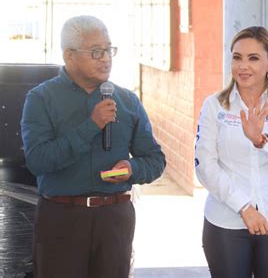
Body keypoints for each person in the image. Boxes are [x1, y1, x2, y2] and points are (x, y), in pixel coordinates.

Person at [21, 15, 166, 278]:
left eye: (109, 50)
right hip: (61, 218)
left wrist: (132, 168)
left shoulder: (127, 100)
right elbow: (37, 160)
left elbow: (155, 160)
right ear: (69, 56)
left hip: (114, 220)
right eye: (96, 52)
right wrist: (91, 125)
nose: (106, 59)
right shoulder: (41, 98)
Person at [195, 26, 268, 278]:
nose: (242, 66)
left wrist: (262, 141)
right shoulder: (215, 106)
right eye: (237, 57)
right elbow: (205, 166)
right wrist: (244, 207)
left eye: (253, 58)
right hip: (225, 220)